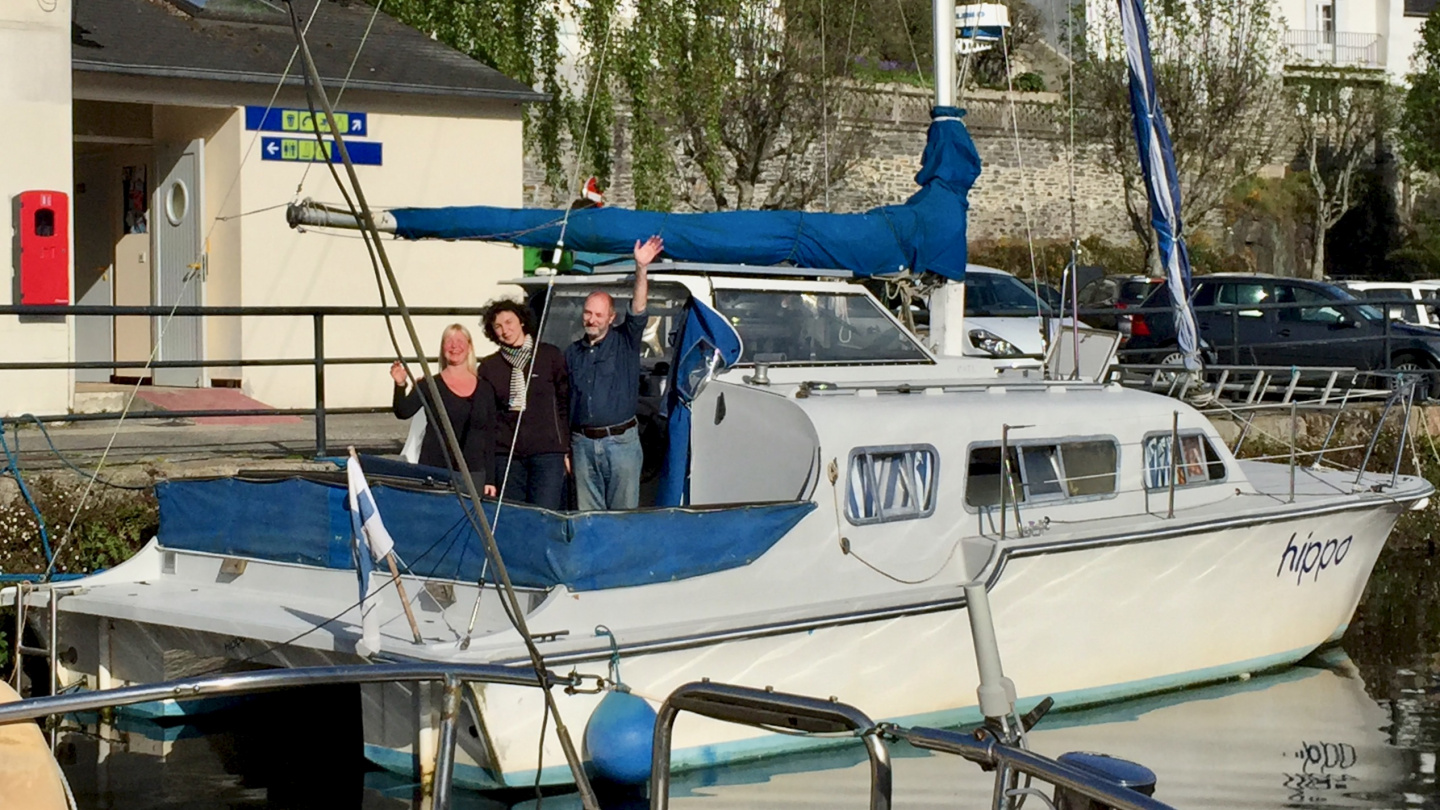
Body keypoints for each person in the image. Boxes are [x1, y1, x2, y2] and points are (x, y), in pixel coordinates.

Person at [565, 235, 661, 511]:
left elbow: (639, 309)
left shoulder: (626, 340)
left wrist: (641, 268)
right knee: (589, 519)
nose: (591, 319)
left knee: (622, 518)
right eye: (587, 313)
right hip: (582, 445)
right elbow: (564, 403)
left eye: (598, 315)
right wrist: (565, 450)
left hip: (621, 444)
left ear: (611, 318)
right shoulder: (572, 353)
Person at [477, 300, 570, 510]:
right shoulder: (489, 367)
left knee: (544, 514)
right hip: (508, 456)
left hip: (547, 453)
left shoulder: (549, 356)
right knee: (515, 517)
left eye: (509, 322)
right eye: (498, 326)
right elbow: (489, 419)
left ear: (521, 322)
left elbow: (564, 405)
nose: (505, 330)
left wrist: (566, 448)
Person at [391, 324, 497, 496]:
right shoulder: (429, 385)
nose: (454, 346)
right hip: (434, 468)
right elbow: (403, 411)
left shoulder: (485, 389)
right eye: (449, 341)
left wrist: (491, 479)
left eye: (460, 341)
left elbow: (490, 436)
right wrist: (400, 384)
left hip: (473, 473)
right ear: (442, 348)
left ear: (469, 347)